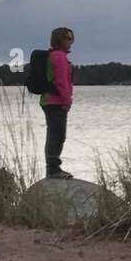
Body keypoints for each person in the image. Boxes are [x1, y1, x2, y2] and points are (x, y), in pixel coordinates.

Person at [41, 27, 75, 179]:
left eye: (71, 38)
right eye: (67, 38)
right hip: (56, 102)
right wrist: (67, 100)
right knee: (57, 135)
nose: (71, 41)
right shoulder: (59, 57)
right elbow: (61, 81)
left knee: (55, 134)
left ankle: (52, 168)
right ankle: (53, 169)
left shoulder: (53, 55)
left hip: (49, 100)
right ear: (59, 39)